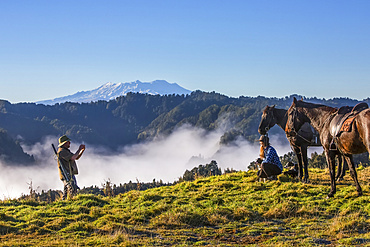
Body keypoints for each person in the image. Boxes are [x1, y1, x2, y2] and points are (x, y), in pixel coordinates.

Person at [57, 135, 85, 200]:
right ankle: (72, 200)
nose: (69, 143)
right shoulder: (62, 152)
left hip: (68, 173)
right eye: (68, 142)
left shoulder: (65, 151)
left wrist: (82, 150)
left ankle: (65, 202)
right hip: (66, 174)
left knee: (66, 190)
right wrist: (79, 149)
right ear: (64, 143)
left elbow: (76, 157)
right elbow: (73, 157)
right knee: (72, 188)